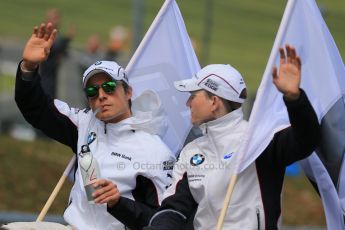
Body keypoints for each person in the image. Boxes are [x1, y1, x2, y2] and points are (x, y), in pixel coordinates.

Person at [105, 45, 320, 229]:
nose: (187, 103)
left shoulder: (258, 140)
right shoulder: (192, 152)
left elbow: (306, 141)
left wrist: (295, 99)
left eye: (193, 96)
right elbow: (174, 208)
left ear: (214, 102)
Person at [10, 22, 175, 230]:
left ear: (128, 92)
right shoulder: (84, 124)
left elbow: (162, 221)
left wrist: (119, 203)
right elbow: (36, 108)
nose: (101, 96)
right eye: (92, 92)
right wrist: (29, 67)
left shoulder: (155, 152)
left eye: (109, 87)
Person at [39, 8, 75, 98]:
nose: (56, 21)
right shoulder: (45, 33)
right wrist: (68, 39)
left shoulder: (57, 34)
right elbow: (53, 47)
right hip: (44, 76)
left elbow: (62, 51)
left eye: (57, 18)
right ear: (48, 19)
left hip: (53, 75)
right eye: (54, 18)